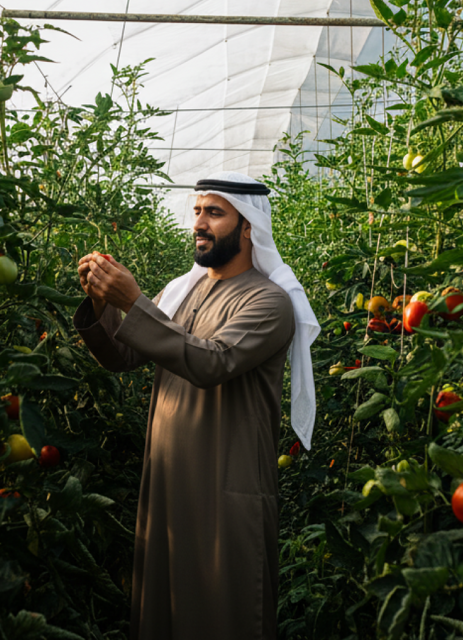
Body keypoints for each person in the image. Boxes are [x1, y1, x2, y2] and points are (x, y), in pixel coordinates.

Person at [73, 171, 319, 640]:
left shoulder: (269, 303)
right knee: (165, 610)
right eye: (198, 211)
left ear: (247, 227)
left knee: (222, 612)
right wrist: (103, 301)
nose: (200, 223)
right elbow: (123, 356)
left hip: (225, 488)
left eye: (214, 213)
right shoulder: (182, 292)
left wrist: (133, 301)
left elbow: (213, 362)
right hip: (168, 484)